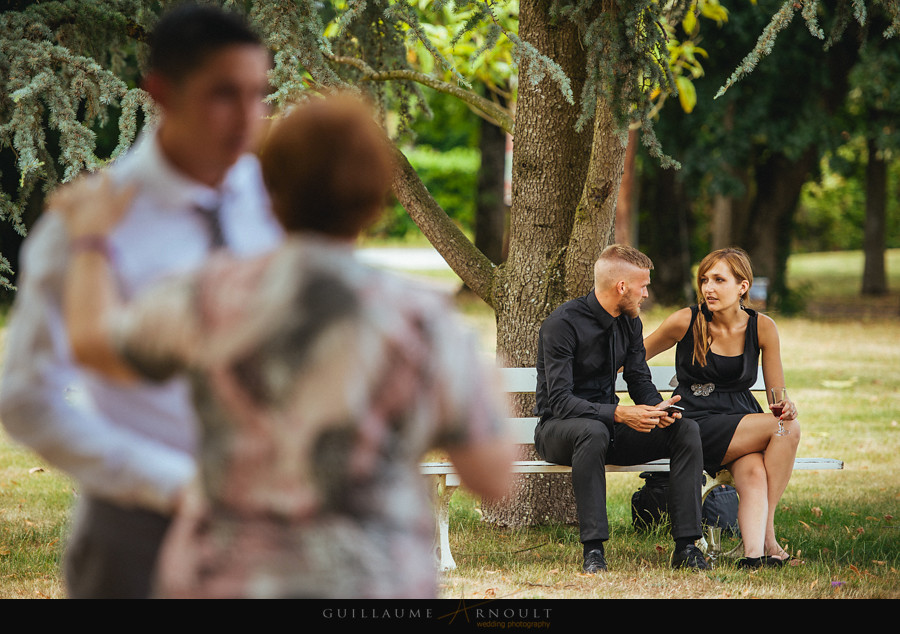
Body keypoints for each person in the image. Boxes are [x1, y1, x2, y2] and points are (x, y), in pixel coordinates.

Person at [52, 93, 514, 599]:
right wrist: (486, 387)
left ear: (268, 189)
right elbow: (492, 479)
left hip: (221, 581)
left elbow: (93, 344)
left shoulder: (205, 295)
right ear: (378, 201)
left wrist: (89, 242)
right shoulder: (421, 320)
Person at [0, 4, 283, 598]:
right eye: (223, 94)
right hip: (139, 538)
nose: (247, 117)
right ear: (160, 92)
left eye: (258, 93)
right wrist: (167, 483)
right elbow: (25, 397)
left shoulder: (278, 203)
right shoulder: (86, 228)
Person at [534, 245, 709, 573]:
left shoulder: (630, 323)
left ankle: (687, 546)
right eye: (643, 285)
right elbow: (559, 401)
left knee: (685, 429)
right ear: (621, 287)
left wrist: (659, 409)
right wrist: (619, 413)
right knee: (592, 429)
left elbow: (639, 379)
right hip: (559, 430)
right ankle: (594, 551)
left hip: (607, 430)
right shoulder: (562, 324)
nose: (646, 293)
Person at [644, 247, 800, 569]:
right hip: (695, 422)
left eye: (719, 279)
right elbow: (633, 358)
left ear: (743, 286)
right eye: (704, 280)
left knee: (755, 472)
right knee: (786, 428)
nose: (708, 288)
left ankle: (754, 556)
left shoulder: (763, 327)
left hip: (741, 421)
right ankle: (770, 539)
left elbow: (776, 399)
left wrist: (786, 406)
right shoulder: (686, 320)